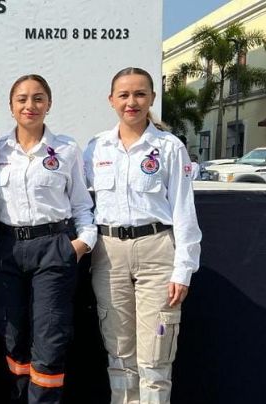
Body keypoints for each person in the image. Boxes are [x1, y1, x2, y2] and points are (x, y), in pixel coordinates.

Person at [83, 67, 202, 404]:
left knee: (154, 358)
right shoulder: (96, 149)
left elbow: (184, 211)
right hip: (109, 256)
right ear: (111, 100)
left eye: (139, 94)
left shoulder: (168, 147)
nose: (131, 102)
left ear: (151, 98)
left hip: (156, 254)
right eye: (123, 95)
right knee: (119, 357)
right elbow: (82, 205)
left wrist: (183, 269)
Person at [0, 74, 97, 403]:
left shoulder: (66, 149)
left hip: (54, 247)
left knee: (50, 337)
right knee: (12, 335)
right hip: (8, 249)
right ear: (11, 106)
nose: (29, 105)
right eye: (22, 99)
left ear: (49, 104)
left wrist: (82, 242)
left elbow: (81, 206)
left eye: (37, 98)